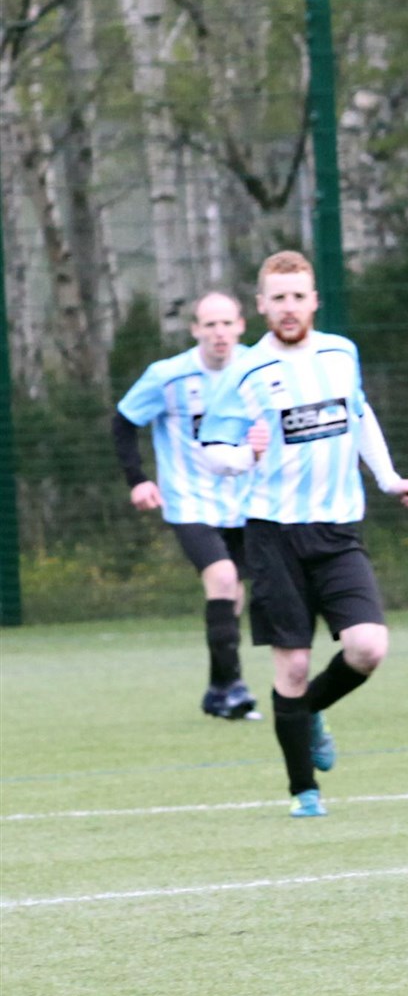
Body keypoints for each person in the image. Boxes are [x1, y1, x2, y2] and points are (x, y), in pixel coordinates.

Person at [197, 251, 408, 817]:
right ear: (262, 306)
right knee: (292, 667)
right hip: (273, 538)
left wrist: (390, 478)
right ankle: (305, 792)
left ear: (314, 300)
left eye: (299, 296)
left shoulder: (341, 354)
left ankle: (309, 713)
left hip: (337, 529)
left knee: (369, 647)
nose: (289, 307)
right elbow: (209, 450)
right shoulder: (246, 372)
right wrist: (241, 458)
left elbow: (360, 416)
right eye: (278, 298)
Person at [112, 291, 259, 721]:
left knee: (233, 595)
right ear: (195, 329)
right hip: (189, 501)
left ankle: (217, 689)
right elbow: (123, 422)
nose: (219, 333)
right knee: (223, 577)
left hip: (244, 501)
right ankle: (233, 688)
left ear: (241, 326)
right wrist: (138, 480)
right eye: (209, 324)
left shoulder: (257, 368)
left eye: (227, 323)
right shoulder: (168, 376)